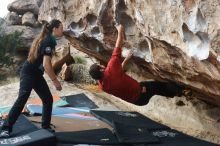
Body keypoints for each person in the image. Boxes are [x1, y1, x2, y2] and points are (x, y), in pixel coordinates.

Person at [89, 24, 190, 106]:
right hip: (141, 93)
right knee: (162, 85)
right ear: (101, 70)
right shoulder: (111, 68)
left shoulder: (102, 86)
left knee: (156, 88)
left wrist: (126, 60)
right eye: (101, 66)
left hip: (136, 101)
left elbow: (117, 74)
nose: (103, 66)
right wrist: (120, 30)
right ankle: (182, 91)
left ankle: (174, 93)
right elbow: (118, 46)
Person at [0, 19, 63, 138]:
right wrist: (55, 81)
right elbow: (46, 64)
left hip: (36, 75)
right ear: (55, 29)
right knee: (22, 98)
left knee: (47, 99)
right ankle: (5, 128)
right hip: (28, 73)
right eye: (61, 28)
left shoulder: (50, 40)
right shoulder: (48, 40)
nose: (63, 30)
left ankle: (45, 127)